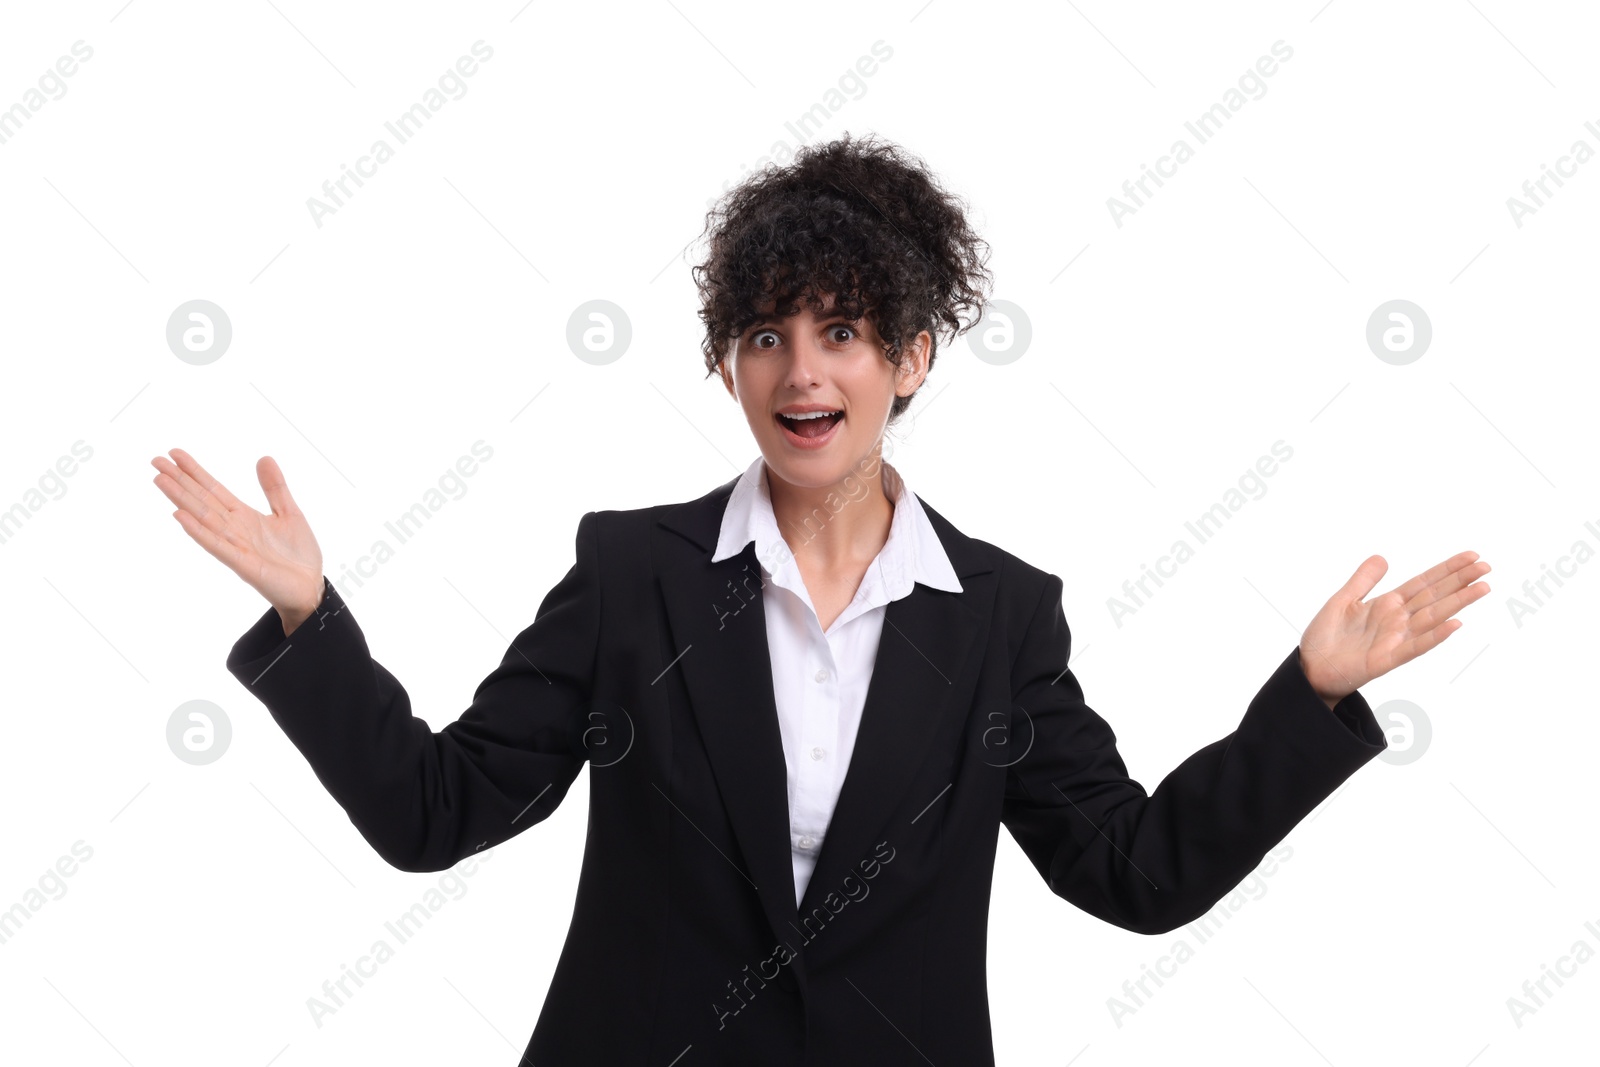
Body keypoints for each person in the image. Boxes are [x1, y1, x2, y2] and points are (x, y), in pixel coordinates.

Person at [150, 133, 1489, 1065]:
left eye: (843, 331)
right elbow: (435, 816)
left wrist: (1309, 702)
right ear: (731, 363)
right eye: (767, 334)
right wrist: (306, 622)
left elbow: (1132, 875)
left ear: (910, 358)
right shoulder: (634, 577)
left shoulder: (1000, 617)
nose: (804, 370)